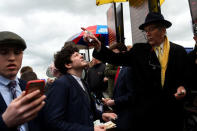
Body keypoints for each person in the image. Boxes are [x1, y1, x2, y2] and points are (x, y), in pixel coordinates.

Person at [83, 12, 190, 131]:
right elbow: (115, 58)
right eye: (145, 30)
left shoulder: (178, 51)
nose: (147, 33)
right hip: (147, 115)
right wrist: (98, 46)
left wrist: (182, 87)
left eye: (151, 29)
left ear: (163, 30)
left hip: (172, 112)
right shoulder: (139, 50)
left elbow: (186, 77)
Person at [42, 43, 117, 131]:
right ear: (68, 65)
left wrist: (102, 115)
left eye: (79, 54)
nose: (81, 55)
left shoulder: (83, 82)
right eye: (76, 55)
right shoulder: (61, 84)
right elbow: (54, 122)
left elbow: (88, 109)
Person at [0, 31, 46, 131]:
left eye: (17, 52)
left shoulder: (29, 87)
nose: (12, 58)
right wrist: (5, 122)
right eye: (3, 52)